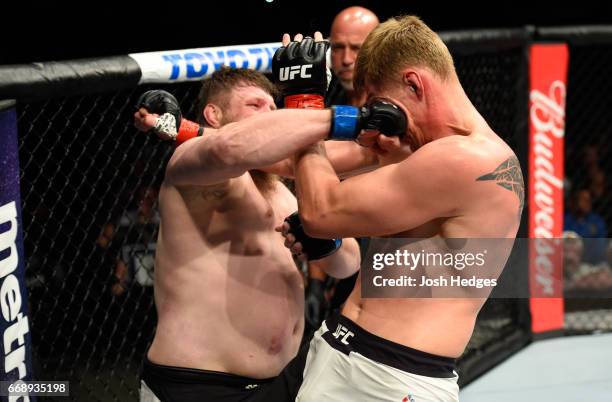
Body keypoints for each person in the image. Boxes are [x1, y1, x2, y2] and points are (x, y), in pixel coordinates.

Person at [269, 16, 523, 400]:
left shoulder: (468, 158)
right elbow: (289, 161)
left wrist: (305, 104)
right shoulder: (416, 147)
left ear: (413, 83)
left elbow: (321, 212)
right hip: (343, 347)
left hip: (393, 379)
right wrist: (192, 133)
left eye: (382, 104)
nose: (385, 119)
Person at [133, 67, 364, 402]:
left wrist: (328, 244)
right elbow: (230, 150)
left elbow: (348, 265)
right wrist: (316, 110)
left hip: (284, 380)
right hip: (201, 386)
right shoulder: (191, 163)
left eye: (274, 108)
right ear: (214, 114)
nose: (270, 116)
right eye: (255, 105)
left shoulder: (283, 191)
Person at [326, 6, 380, 107]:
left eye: (357, 48)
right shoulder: (326, 93)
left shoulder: (394, 102)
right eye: (338, 47)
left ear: (378, 50)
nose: (346, 59)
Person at [564, 188, 608, 264]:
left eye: (589, 200)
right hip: (569, 260)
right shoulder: (565, 219)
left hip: (592, 261)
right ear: (574, 202)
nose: (588, 203)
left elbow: (601, 246)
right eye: (583, 199)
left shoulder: (597, 220)